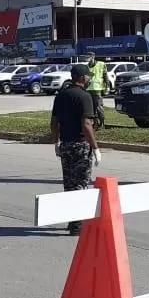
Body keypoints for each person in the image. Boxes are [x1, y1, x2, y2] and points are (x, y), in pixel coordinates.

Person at [51, 63, 102, 235]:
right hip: (80, 145)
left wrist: (56, 142)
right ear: (82, 78)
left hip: (65, 145)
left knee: (69, 184)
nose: (88, 79)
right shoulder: (84, 97)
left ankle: (72, 221)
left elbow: (54, 123)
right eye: (88, 76)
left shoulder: (61, 96)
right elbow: (87, 124)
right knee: (80, 184)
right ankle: (78, 224)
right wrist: (95, 148)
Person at [84, 52, 109, 124]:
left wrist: (107, 87)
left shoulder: (101, 64)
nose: (87, 58)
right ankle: (95, 122)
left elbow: (105, 76)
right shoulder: (86, 66)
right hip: (88, 89)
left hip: (97, 89)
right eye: (86, 56)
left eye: (89, 56)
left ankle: (102, 122)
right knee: (91, 107)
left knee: (98, 106)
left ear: (93, 57)